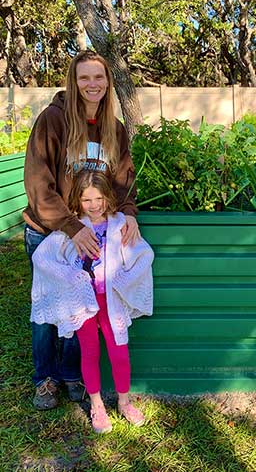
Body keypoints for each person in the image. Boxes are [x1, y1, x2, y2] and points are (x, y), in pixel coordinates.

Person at [23, 50, 140, 410]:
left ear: (108, 82)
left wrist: (130, 211)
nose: (93, 84)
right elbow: (39, 181)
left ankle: (73, 374)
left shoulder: (112, 129)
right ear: (74, 82)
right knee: (47, 310)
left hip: (89, 234)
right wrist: (71, 226)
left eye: (99, 77)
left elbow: (122, 180)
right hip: (51, 231)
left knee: (81, 307)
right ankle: (45, 378)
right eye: (85, 77)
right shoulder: (53, 121)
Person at [30, 170, 154, 433]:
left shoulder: (120, 224)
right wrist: (72, 278)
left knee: (119, 351)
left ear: (108, 197)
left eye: (98, 199)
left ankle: (124, 402)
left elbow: (144, 254)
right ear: (78, 200)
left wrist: (122, 281)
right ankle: (97, 406)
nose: (94, 205)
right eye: (87, 200)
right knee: (90, 352)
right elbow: (42, 257)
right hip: (84, 302)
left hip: (111, 301)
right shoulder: (72, 228)